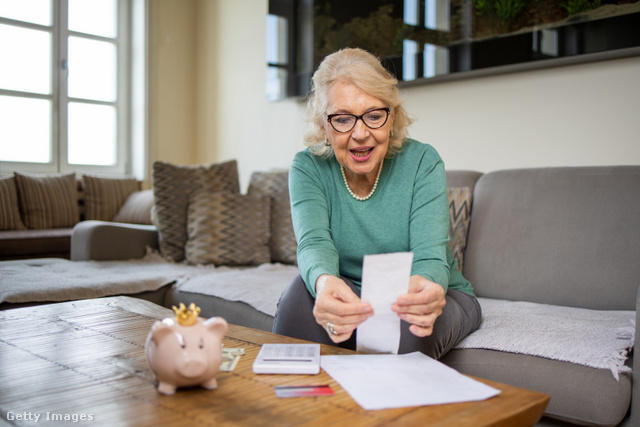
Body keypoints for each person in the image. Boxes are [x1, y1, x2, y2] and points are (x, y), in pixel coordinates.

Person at [272, 48, 481, 359]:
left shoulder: (423, 161)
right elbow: (314, 243)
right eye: (342, 119)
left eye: (373, 115)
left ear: (391, 117)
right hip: (352, 293)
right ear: (324, 125)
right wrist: (326, 283)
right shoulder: (308, 167)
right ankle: (304, 406)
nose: (360, 134)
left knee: (404, 329)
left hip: (430, 293)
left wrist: (425, 289)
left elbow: (430, 256)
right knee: (295, 302)